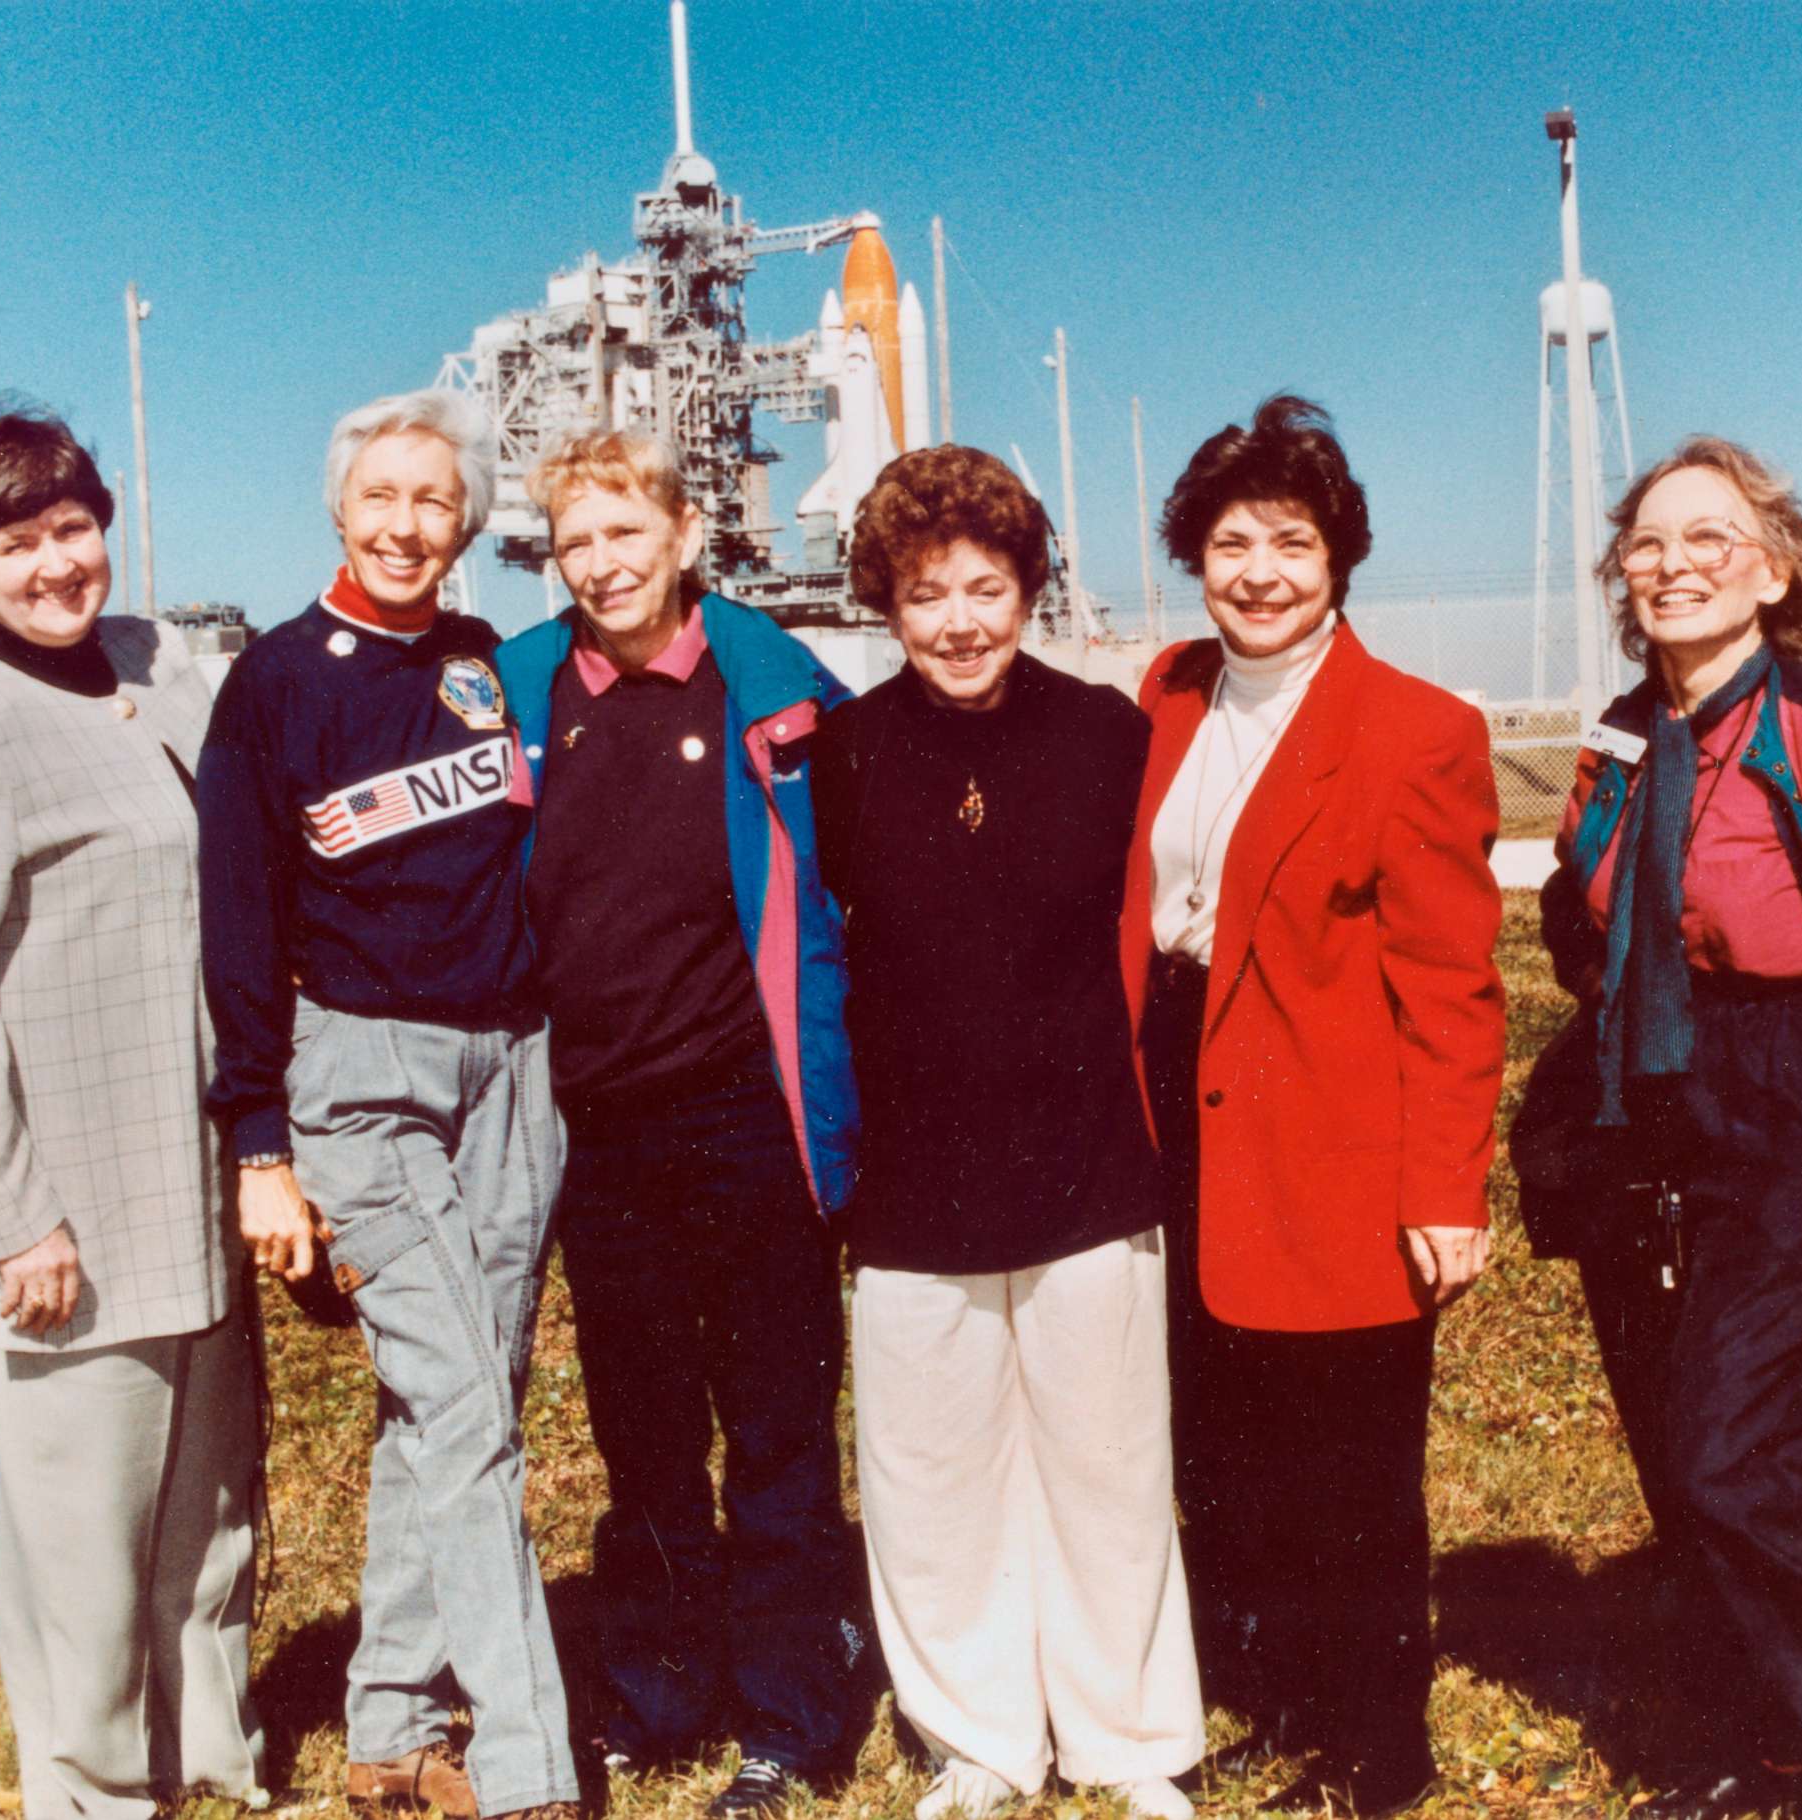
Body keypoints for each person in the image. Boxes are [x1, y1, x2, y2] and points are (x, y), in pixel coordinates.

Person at [0, 398, 265, 1819]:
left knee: (211, 1516)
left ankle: (208, 1758)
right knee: (81, 1536)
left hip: (195, 1178)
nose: (56, 565)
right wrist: (15, 1217)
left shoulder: (161, 667)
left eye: (74, 529)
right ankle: (94, 1789)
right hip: (61, 1210)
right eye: (17, 542)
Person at [1537, 436, 1802, 1819]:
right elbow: (1567, 913)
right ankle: (1768, 1729)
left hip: (1800, 1093)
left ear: (1770, 571)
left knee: (1741, 1447)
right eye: (1647, 545)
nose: (1673, 566)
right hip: (1646, 1101)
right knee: (1679, 1439)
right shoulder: (1615, 735)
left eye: (1709, 539)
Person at [1120, 396, 1505, 1818]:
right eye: (1231, 543)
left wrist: (1444, 1188)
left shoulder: (1414, 729)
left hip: (1326, 1123)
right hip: (1172, 1098)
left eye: (1290, 541)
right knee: (1208, 1440)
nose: (1260, 572)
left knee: (1343, 1459)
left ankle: (1373, 1747)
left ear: (1339, 556)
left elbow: (1455, 985)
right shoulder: (1164, 694)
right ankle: (1267, 1697)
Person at [197, 389, 578, 1820]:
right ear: (340, 508)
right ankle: (535, 1767)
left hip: (512, 1069)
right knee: (465, 1407)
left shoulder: (486, 663)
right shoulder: (278, 681)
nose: (408, 525)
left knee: (464, 1397)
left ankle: (387, 1730)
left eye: (436, 501)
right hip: (360, 1074)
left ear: (468, 523)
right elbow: (237, 922)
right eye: (385, 497)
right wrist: (258, 1142)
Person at [810, 446, 1205, 1820]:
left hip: (1088, 1163)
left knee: (1108, 1465)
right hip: (915, 1183)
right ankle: (976, 1736)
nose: (962, 620)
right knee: (931, 1476)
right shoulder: (842, 758)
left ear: (1030, 588)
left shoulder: (1109, 736)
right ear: (888, 604)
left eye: (987, 587)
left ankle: (1130, 1738)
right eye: (928, 595)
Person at [493, 430, 863, 1818]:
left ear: (686, 532)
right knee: (642, 1426)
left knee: (774, 1423)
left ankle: (790, 1713)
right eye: (576, 540)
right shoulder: (523, 689)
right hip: (598, 1127)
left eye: (625, 531)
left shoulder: (776, 682)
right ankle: (658, 1690)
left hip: (750, 1118)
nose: (603, 562)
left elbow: (849, 900)